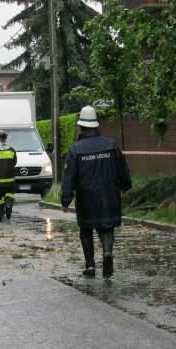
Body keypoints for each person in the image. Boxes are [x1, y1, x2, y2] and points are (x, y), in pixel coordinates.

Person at [61, 105, 131, 279]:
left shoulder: (76, 149)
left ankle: (90, 265)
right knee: (107, 227)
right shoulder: (111, 145)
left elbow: (69, 176)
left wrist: (66, 199)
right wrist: (125, 186)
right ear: (96, 125)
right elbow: (122, 168)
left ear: (81, 126)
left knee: (86, 230)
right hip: (109, 195)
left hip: (86, 197)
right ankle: (107, 252)